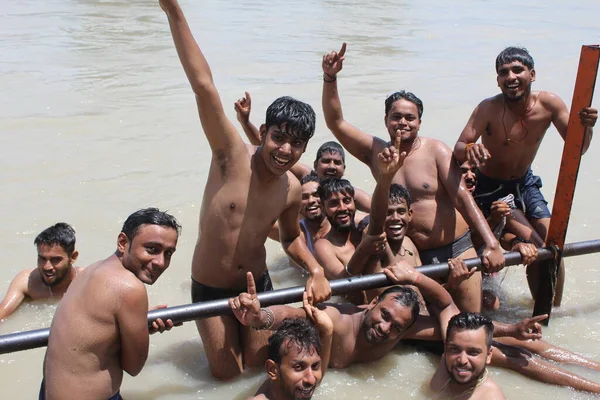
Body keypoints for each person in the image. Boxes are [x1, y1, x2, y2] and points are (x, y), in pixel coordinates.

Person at [160, 0, 330, 380]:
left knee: (256, 367)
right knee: (224, 375)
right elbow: (204, 87)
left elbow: (289, 240)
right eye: (279, 138)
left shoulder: (292, 189)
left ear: (304, 149)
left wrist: (316, 268)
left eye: (296, 144)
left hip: (256, 285)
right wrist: (173, 11)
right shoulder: (231, 156)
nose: (285, 150)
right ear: (264, 133)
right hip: (211, 285)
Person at [321, 43, 505, 313]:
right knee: (414, 330)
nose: (403, 123)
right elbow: (336, 122)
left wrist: (491, 244)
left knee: (468, 323)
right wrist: (330, 77)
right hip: (409, 254)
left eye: (410, 118)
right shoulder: (376, 151)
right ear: (386, 120)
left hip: (455, 249)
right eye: (396, 117)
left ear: (420, 122)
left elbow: (463, 197)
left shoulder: (436, 150)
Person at [233, 264, 600, 394]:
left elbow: (452, 319)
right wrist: (259, 318)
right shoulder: (341, 319)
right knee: (497, 348)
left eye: (395, 327)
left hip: (443, 338)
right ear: (372, 304)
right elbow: (289, 314)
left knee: (503, 351)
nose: (385, 328)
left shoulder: (401, 332)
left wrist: (513, 327)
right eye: (384, 316)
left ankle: (591, 377)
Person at [454, 46, 598, 303]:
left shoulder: (550, 104)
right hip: (492, 188)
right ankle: (541, 313)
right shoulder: (488, 108)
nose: (511, 76)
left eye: (517, 70)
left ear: (532, 74)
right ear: (498, 82)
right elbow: (459, 146)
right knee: (539, 247)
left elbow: (579, 149)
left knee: (555, 244)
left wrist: (586, 128)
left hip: (526, 183)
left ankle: (553, 309)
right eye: (503, 72)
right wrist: (470, 148)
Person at [40, 208, 180, 400]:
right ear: (123, 242)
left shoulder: (91, 270)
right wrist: (136, 331)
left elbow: (96, 331)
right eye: (152, 249)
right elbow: (134, 366)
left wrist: (137, 324)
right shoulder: (129, 287)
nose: (161, 262)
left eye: (169, 253)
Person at [234, 92, 372, 212]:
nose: (331, 166)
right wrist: (245, 123)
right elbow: (269, 149)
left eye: (337, 162)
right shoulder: (308, 178)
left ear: (344, 168)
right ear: (315, 165)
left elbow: (381, 211)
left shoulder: (348, 193)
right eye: (325, 161)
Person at [248, 294, 333, 400]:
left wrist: (327, 332)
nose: (311, 380)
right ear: (273, 370)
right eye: (298, 367)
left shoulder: (298, 385)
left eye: (315, 366)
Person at [0, 223, 81, 321]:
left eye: (56, 259)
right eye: (42, 258)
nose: (47, 267)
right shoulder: (27, 282)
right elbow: (2, 313)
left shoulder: (86, 282)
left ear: (72, 257)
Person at [430, 312, 505, 399]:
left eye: (473, 352)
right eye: (455, 349)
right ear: (446, 349)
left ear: (488, 355)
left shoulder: (491, 397)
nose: (462, 360)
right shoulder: (446, 360)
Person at [313, 178, 370, 280]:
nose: (342, 208)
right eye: (334, 203)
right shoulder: (324, 246)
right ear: (323, 208)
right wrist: (364, 249)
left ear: (354, 203)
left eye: (347, 201)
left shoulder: (365, 228)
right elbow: (345, 285)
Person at [298, 174, 330, 254]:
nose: (311, 200)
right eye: (304, 197)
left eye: (316, 195)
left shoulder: (341, 225)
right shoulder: (297, 233)